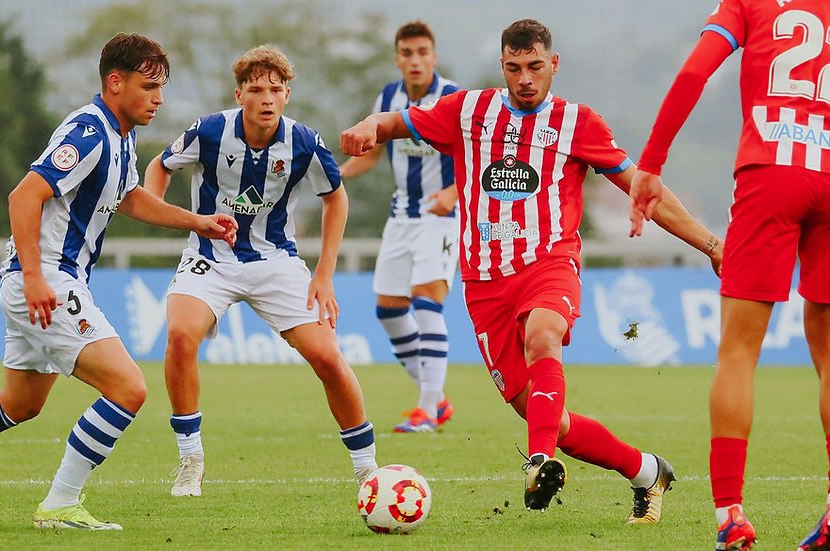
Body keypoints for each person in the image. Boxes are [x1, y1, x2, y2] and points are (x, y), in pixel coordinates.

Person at [342, 18, 724, 523]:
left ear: (554, 65)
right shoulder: (467, 110)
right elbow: (396, 124)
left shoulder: (578, 122)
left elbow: (644, 189)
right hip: (483, 281)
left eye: (535, 67)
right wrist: (372, 124)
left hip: (549, 261)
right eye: (515, 68)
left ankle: (538, 460)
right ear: (503, 66)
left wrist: (713, 245)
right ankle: (647, 471)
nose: (525, 78)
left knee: (544, 335)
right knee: (548, 416)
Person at [0, 33, 237, 530]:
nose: (159, 98)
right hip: (46, 280)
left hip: (41, 280)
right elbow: (23, 197)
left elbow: (130, 197)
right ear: (115, 81)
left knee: (21, 403)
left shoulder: (121, 135)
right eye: (149, 85)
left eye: (162, 88)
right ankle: (61, 504)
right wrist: (34, 278)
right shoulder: (89, 131)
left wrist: (197, 221)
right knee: (128, 388)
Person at [629, 1, 830, 548]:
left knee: (739, 350)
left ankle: (730, 516)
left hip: (771, 171)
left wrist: (651, 163)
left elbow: (696, 70)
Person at [144, 45, 378, 498]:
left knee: (329, 358)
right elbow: (159, 166)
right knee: (179, 335)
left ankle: (368, 471)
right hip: (209, 258)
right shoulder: (210, 131)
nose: (266, 98)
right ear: (240, 95)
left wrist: (323, 275)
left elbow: (336, 197)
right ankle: (190, 459)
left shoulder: (305, 141)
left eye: (275, 89)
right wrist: (162, 213)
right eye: (256, 89)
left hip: (276, 262)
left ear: (287, 95)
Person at [339, 21, 459, 434]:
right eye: (407, 53)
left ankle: (426, 408)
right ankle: (436, 399)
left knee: (427, 303)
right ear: (397, 58)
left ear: (434, 57)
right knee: (389, 310)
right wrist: (335, 175)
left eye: (422, 51)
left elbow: (481, 155)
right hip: (401, 215)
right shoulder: (388, 98)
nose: (415, 60)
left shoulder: (454, 98)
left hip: (441, 217)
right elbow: (371, 155)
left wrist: (454, 191)